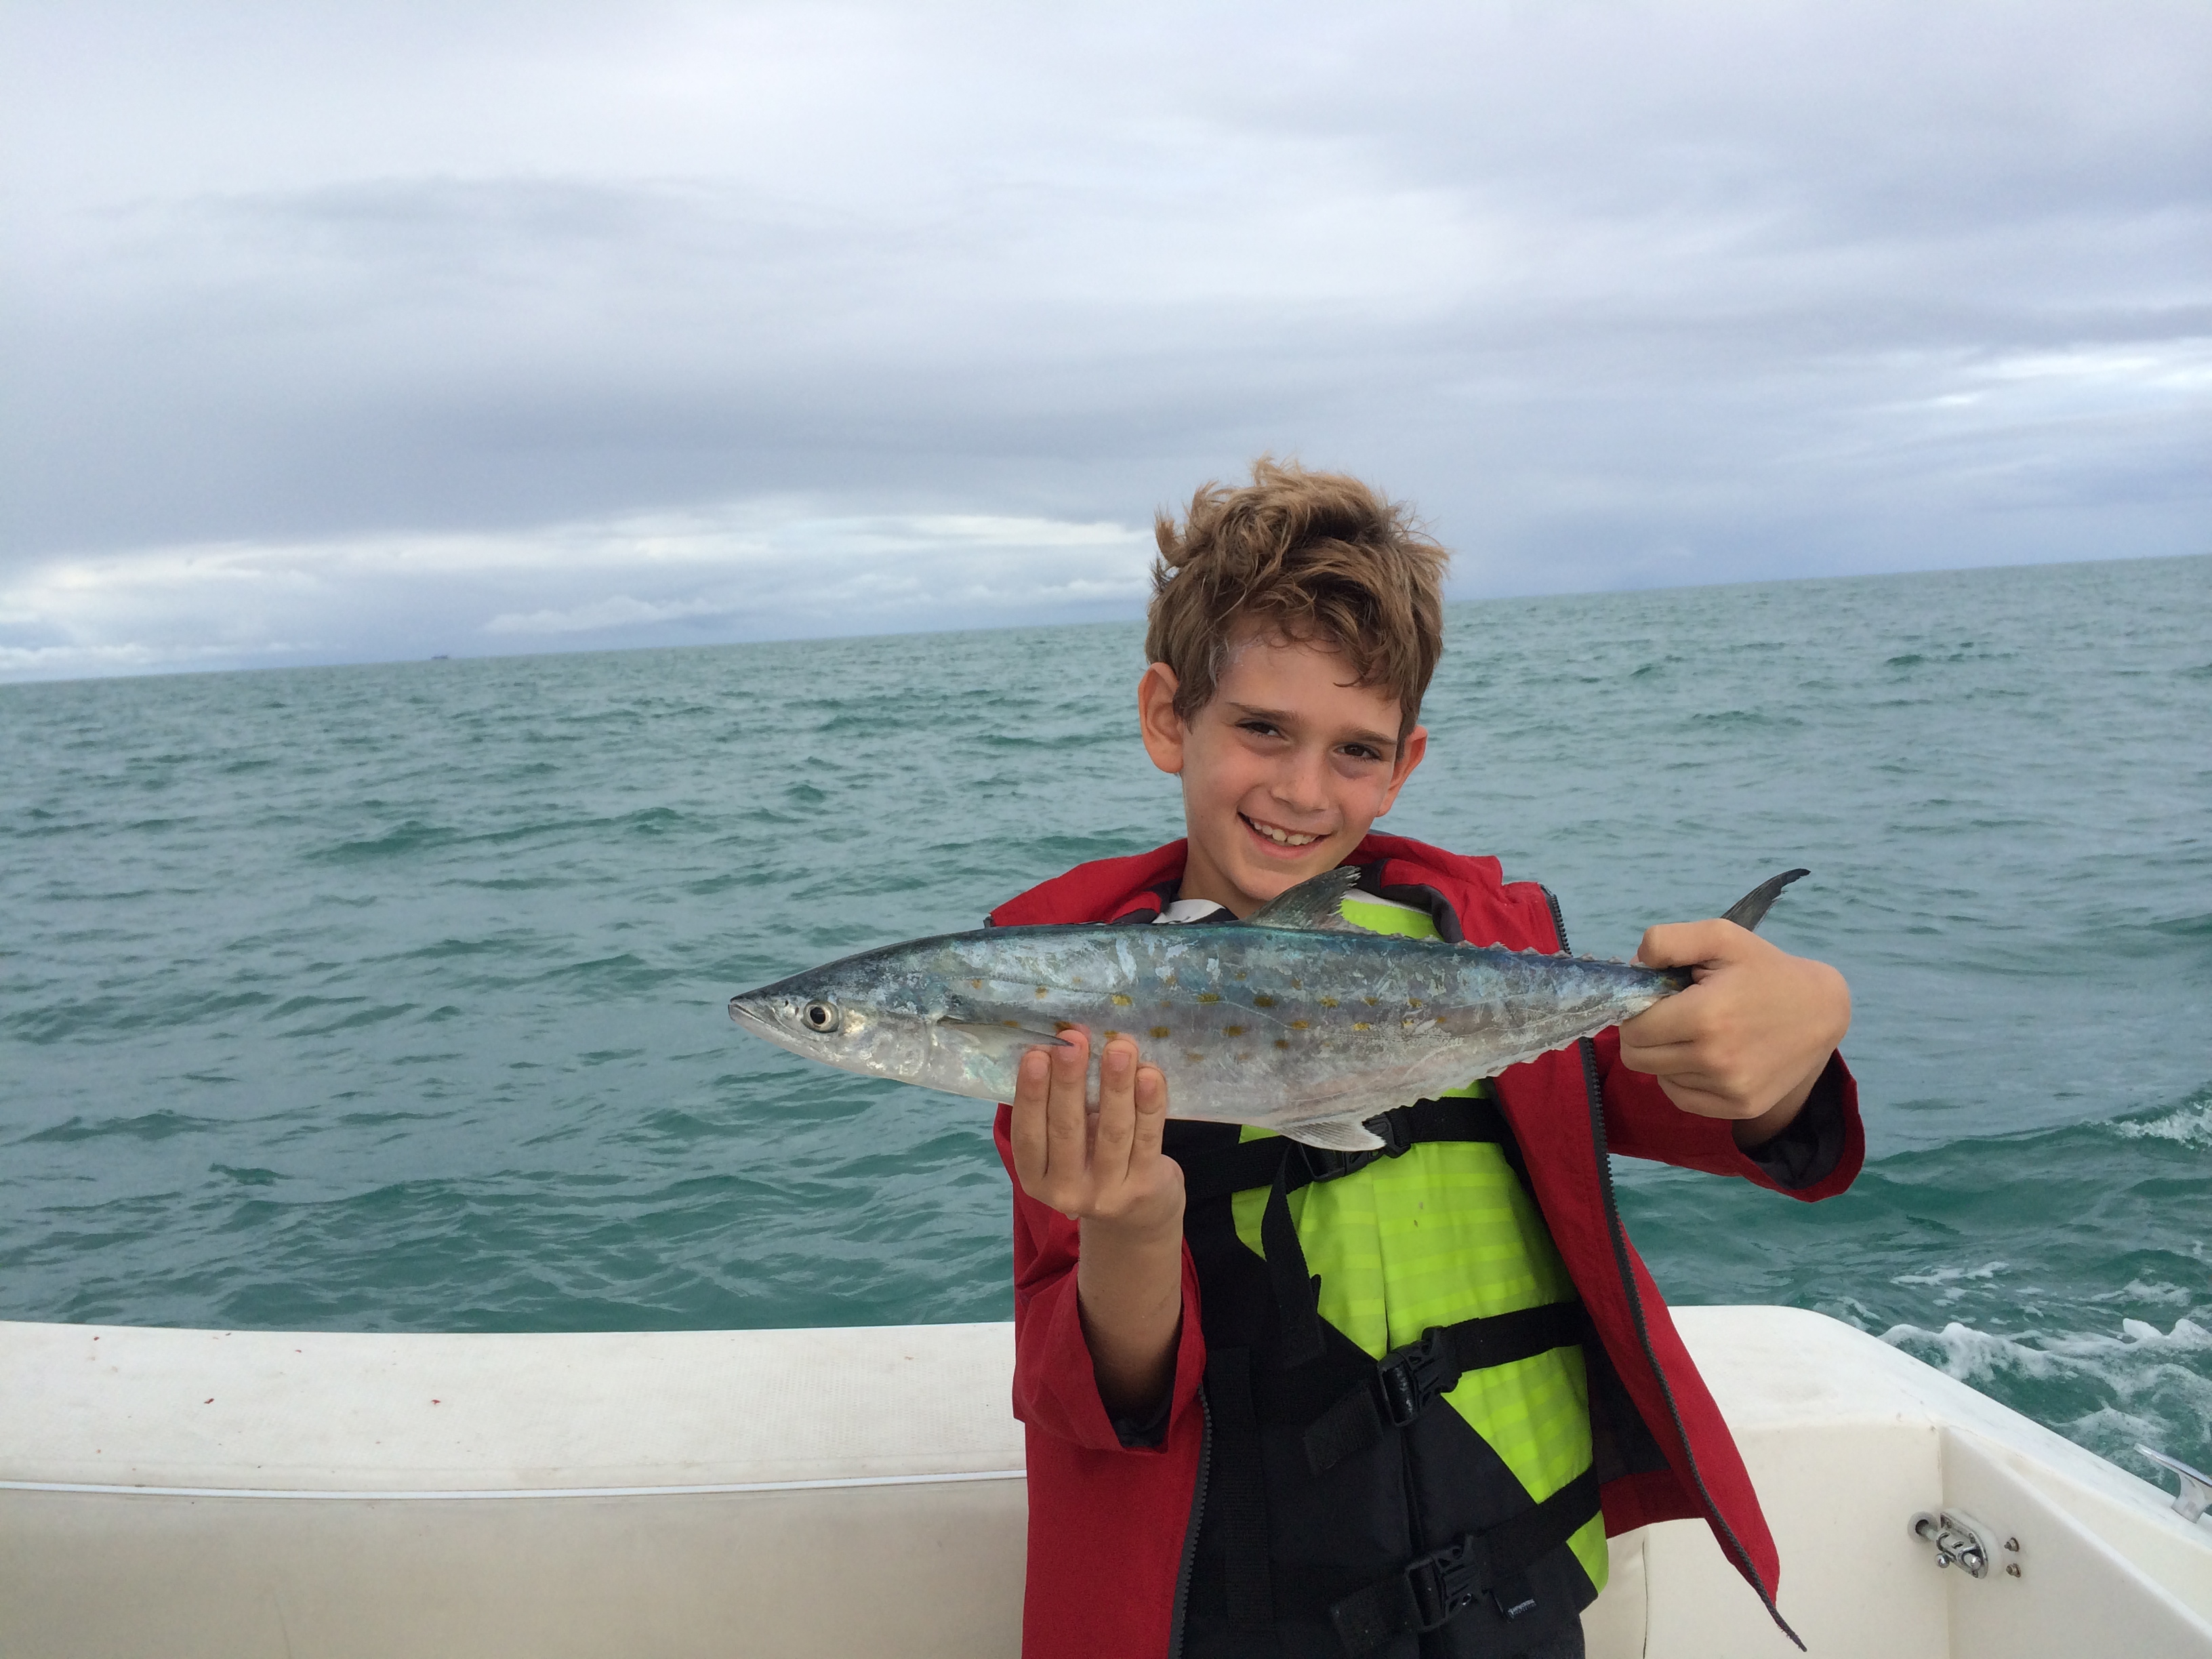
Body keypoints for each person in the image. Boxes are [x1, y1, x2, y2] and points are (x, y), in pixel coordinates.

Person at [989, 460, 1859, 1659]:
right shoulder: (1079, 1002)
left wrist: (1800, 1027)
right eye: (1260, 729)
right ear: (1165, 716)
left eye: (1357, 751)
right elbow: (1101, 1390)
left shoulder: (1496, 954)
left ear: (1405, 764)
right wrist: (1133, 1226)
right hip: (1240, 1616)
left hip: (1518, 1603)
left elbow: (1733, 1106)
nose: (1303, 790)